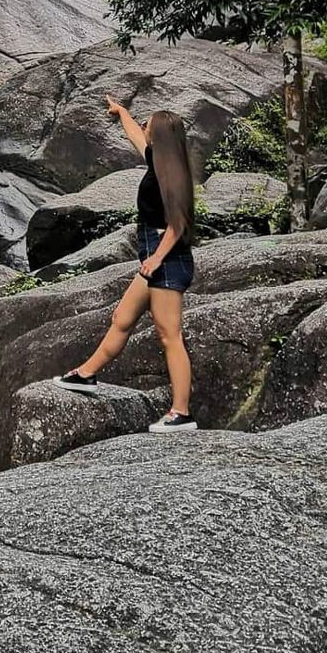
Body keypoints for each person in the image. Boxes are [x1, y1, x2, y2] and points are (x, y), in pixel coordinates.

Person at [54, 96, 198, 433]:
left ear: (159, 136)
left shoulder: (171, 177)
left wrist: (155, 260)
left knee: (169, 336)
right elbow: (135, 135)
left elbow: (177, 226)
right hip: (154, 258)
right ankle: (85, 374)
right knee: (121, 318)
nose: (144, 128)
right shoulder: (159, 162)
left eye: (149, 125)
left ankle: (181, 412)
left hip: (166, 258)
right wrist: (122, 113)